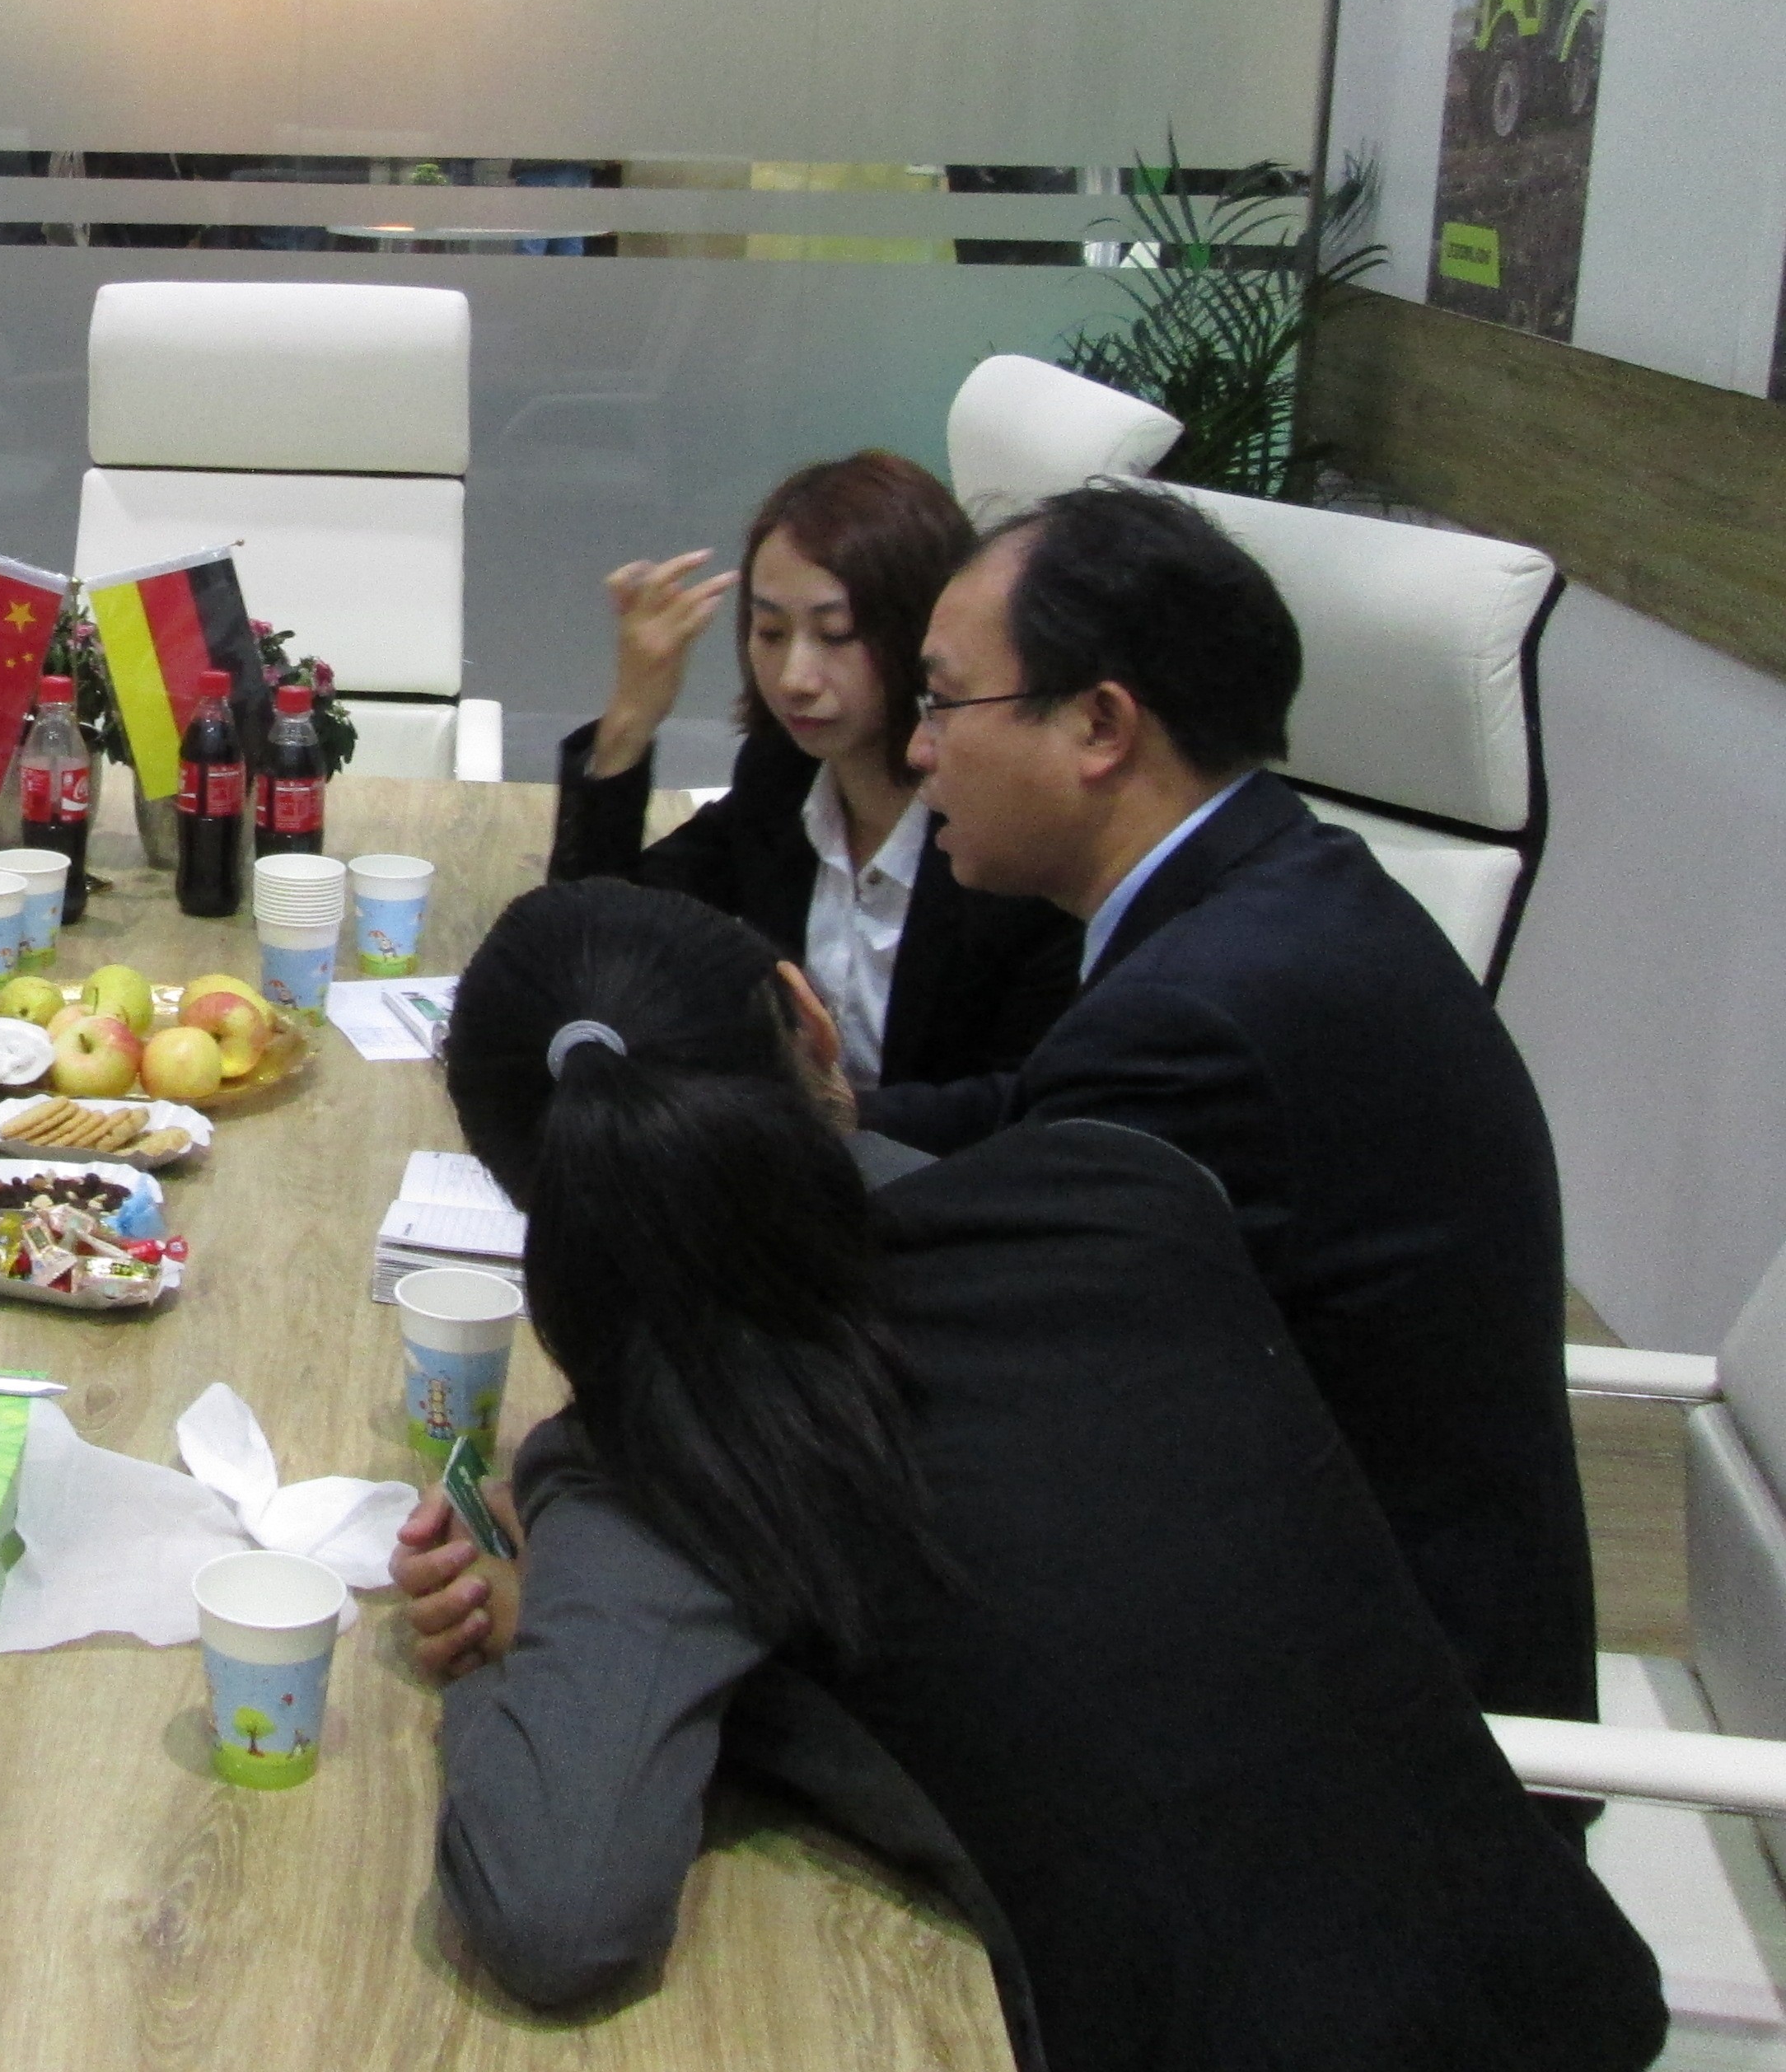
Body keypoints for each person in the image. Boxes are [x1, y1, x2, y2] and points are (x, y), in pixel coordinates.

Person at [388, 878, 1662, 2071]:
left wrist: (522, 1654)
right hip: (1553, 1998)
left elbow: (559, 1917)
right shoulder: (1133, 1193)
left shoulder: (665, 1455)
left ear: (535, 1195)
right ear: (812, 1024)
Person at [866, 479, 1593, 1727]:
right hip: (1355, 1601)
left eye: (942, 701)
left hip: (1387, 1729)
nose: (918, 749)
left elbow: (1003, 1361)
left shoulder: (1200, 1013)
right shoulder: (1273, 890)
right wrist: (824, 1112)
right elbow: (1038, 1119)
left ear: (1100, 725)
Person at [548, 450, 1074, 1092]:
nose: (795, 679)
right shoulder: (785, 773)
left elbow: (1024, 1101)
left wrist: (833, 1118)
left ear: (925, 636)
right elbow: (596, 934)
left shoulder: (1009, 832)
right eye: (770, 633)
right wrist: (630, 720)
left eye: (837, 635)